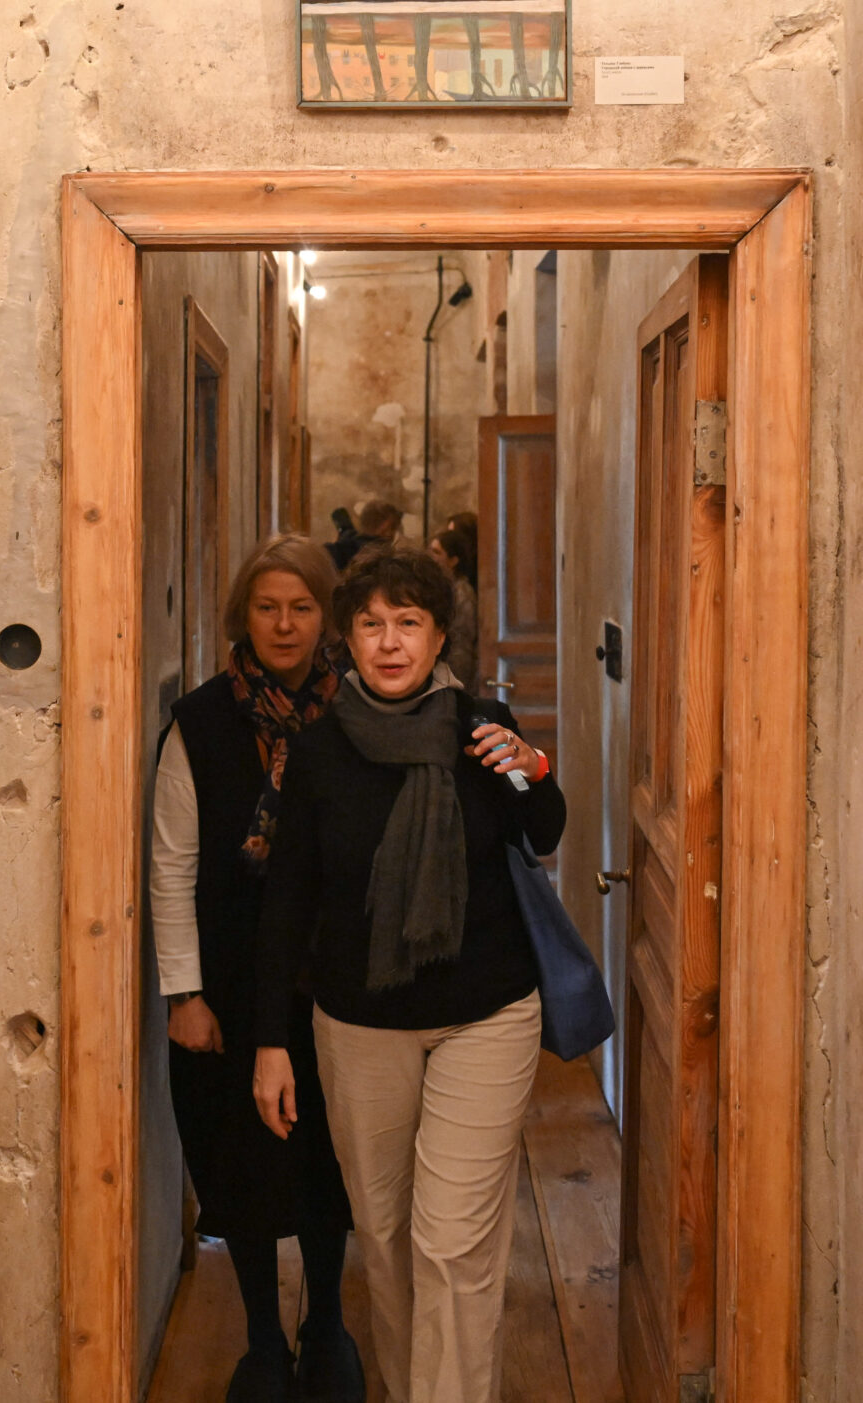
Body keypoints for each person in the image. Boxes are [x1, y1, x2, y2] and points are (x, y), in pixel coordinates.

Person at [252, 546, 564, 1403]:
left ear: (437, 637)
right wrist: (271, 1041)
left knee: (451, 1241)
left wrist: (532, 766)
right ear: (347, 640)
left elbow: (545, 827)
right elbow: (287, 903)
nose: (390, 642)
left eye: (409, 622)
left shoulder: (482, 727)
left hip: (486, 1014)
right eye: (371, 624)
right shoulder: (318, 752)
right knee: (386, 1238)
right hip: (359, 1025)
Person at [151, 536, 364, 1403]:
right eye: (268, 607)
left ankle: (328, 1324)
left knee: (328, 1160)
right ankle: (263, 1340)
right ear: (244, 614)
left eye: (302, 607)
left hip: (336, 978)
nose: (284, 624)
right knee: (239, 1159)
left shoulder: (358, 709)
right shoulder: (201, 721)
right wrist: (185, 993)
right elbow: (171, 865)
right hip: (230, 978)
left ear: (327, 615)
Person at [426, 525, 479, 694]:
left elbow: (462, 641)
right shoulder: (441, 587)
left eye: (437, 552)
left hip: (455, 666)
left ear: (453, 560)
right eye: (431, 550)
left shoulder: (462, 593)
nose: (431, 556)